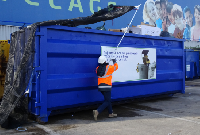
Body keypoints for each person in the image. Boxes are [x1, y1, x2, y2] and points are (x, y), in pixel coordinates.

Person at [93, 56, 118, 121]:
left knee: (108, 100)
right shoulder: (109, 67)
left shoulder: (97, 68)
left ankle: (110, 113)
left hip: (100, 87)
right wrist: (114, 61)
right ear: (105, 61)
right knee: (107, 101)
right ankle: (97, 111)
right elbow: (116, 67)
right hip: (107, 86)